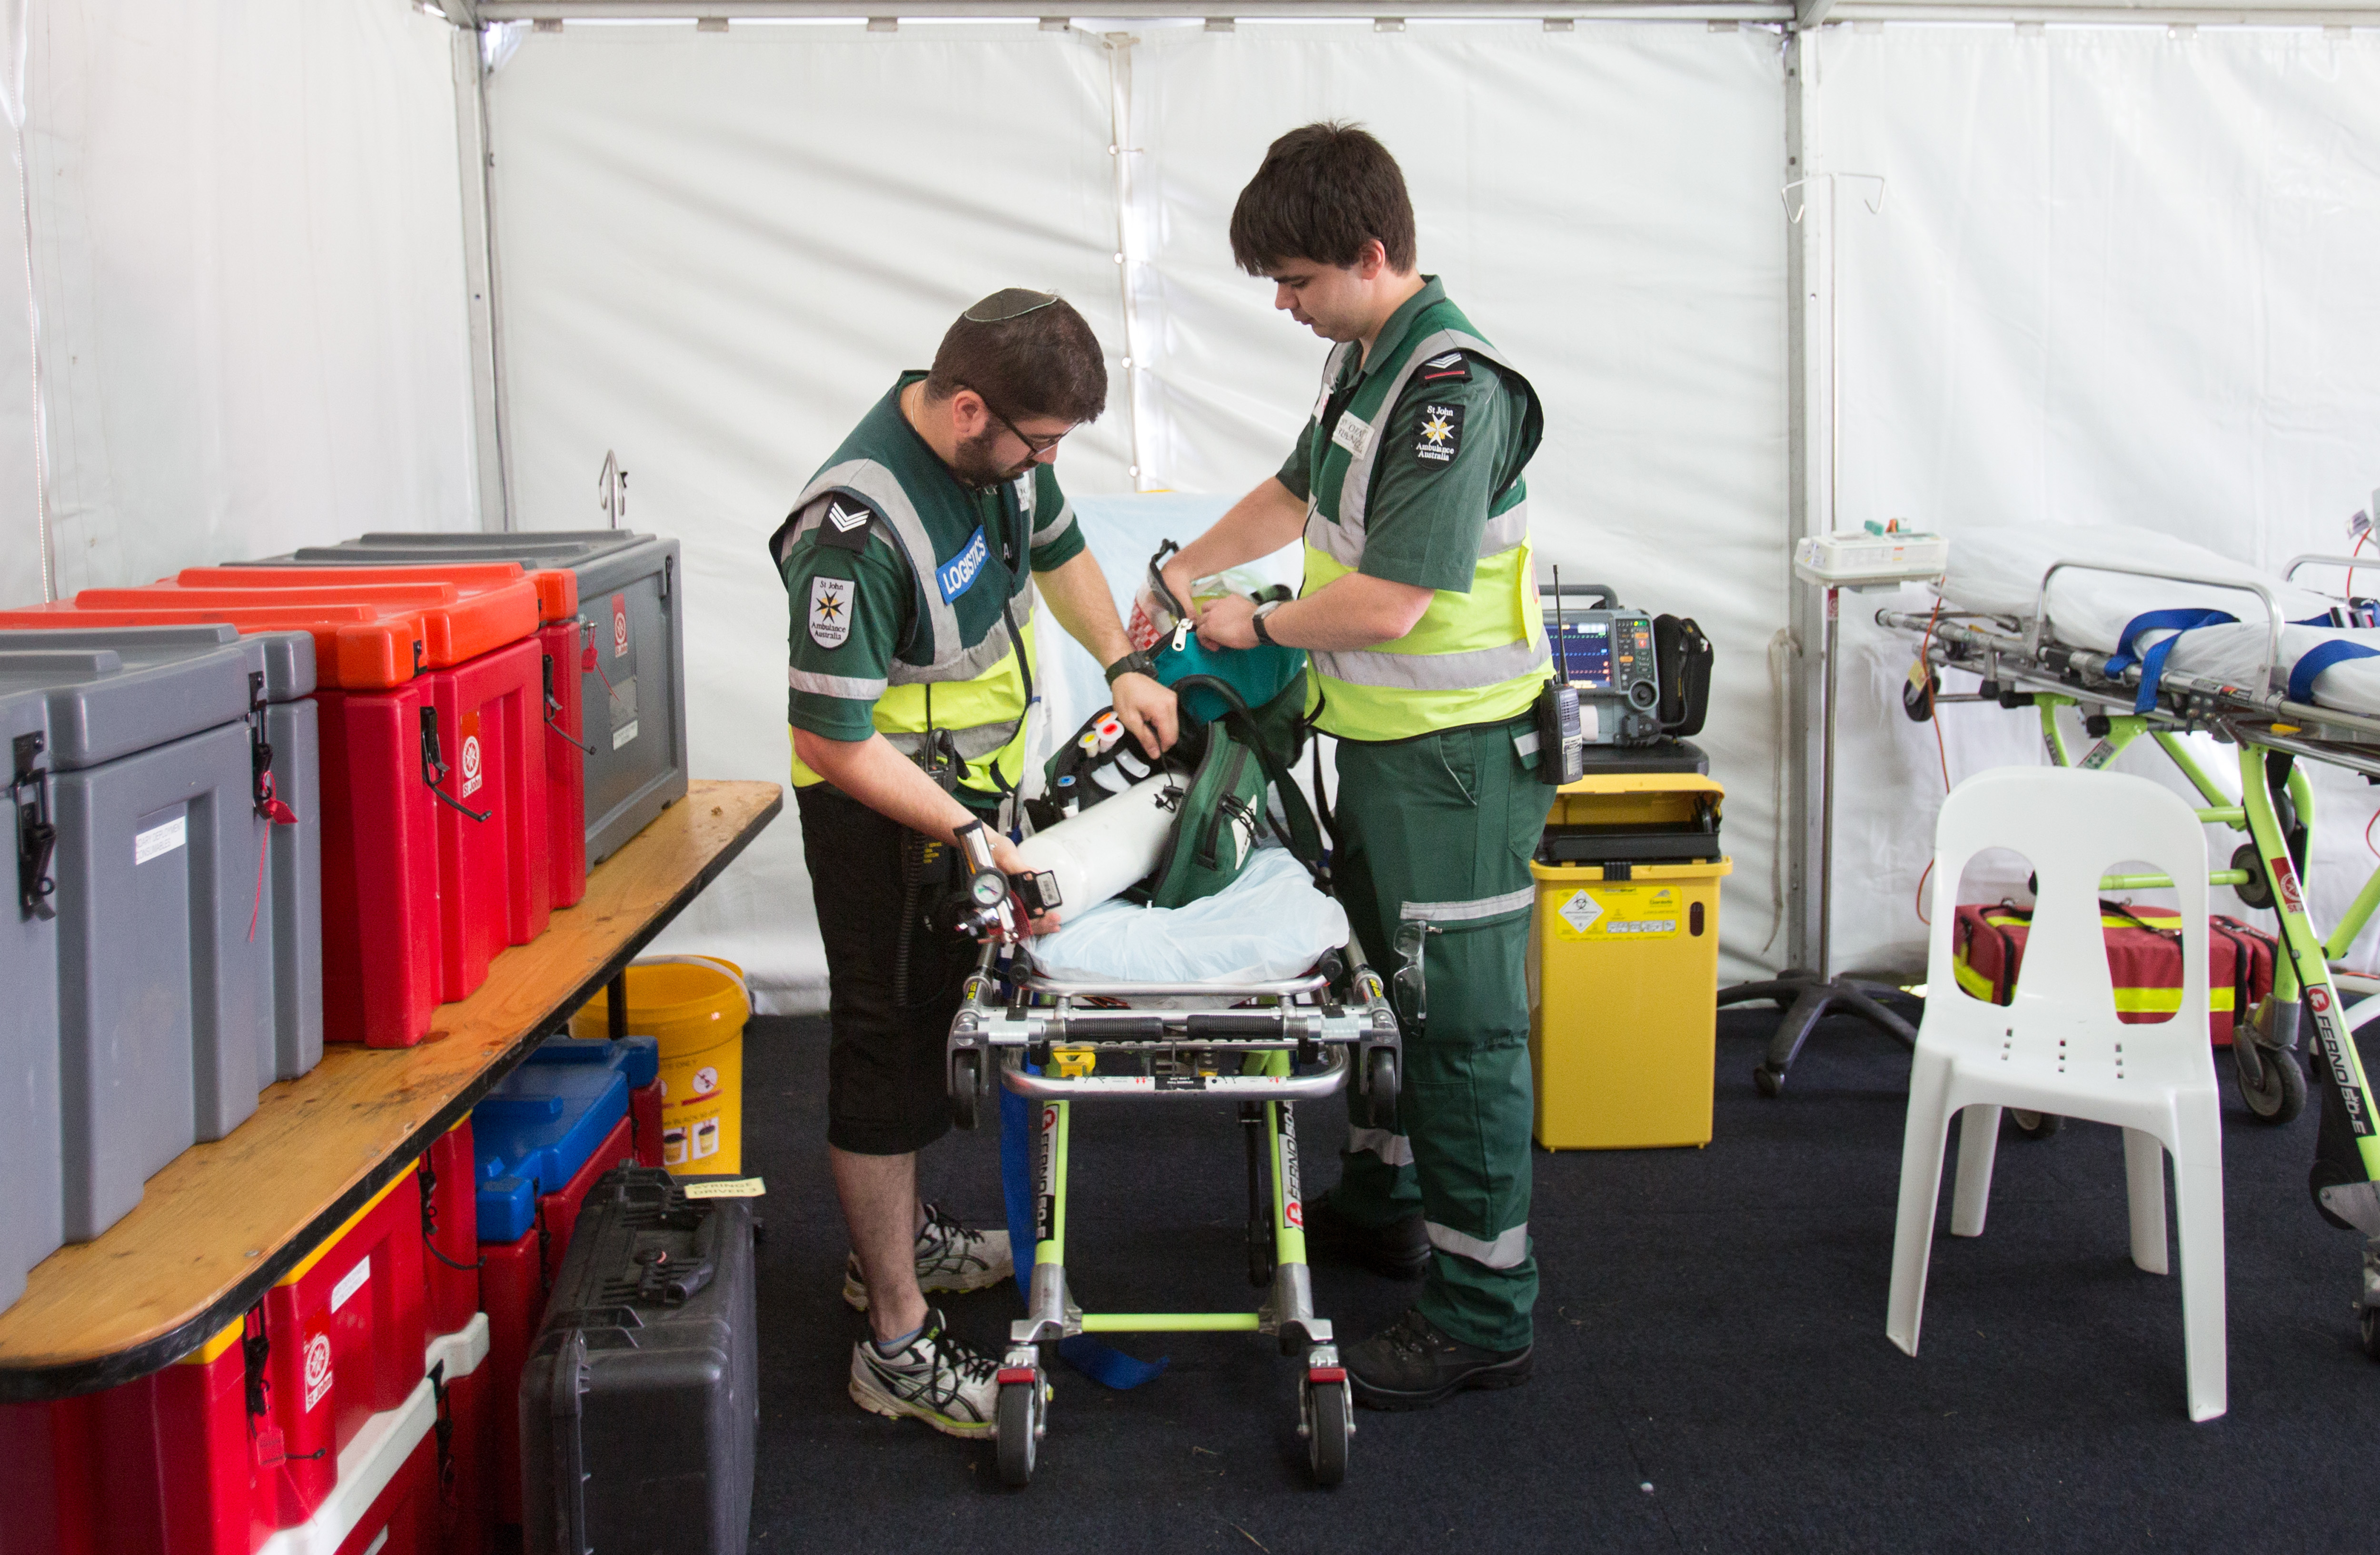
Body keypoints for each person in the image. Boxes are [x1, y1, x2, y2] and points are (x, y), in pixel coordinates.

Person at [1160, 124, 1555, 1411]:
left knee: (1465, 1032)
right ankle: (1390, 1199)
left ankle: (1485, 1305)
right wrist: (1183, 570)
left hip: (1458, 769)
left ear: (1373, 254)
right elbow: (1296, 491)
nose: (1283, 304)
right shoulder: (1364, 360)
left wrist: (1252, 624)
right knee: (1387, 990)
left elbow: (1388, 602)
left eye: (1296, 280)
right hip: (1388, 755)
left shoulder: (1453, 390)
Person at [772, 290, 1178, 1439]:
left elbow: (1058, 550)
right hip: (878, 815)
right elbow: (829, 737)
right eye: (1037, 445)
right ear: (965, 410)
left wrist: (1120, 664)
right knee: (883, 1048)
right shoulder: (852, 527)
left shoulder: (1001, 450)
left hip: (963, 805)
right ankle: (892, 1342)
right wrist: (959, 829)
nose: (1043, 466)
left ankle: (888, 1253)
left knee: (937, 1030)